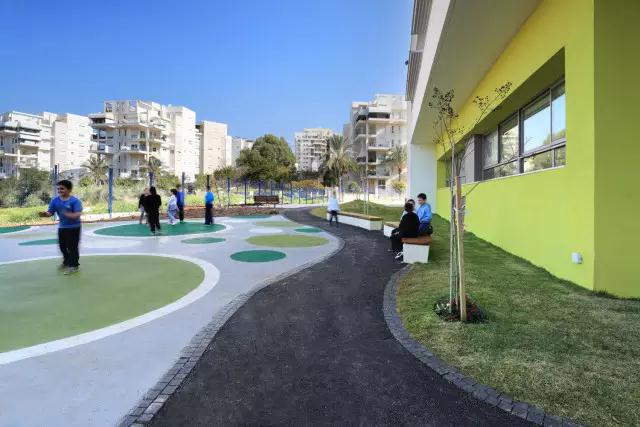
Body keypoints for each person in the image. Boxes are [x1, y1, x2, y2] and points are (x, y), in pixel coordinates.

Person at [41, 180, 83, 275]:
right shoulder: (55, 201)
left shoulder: (75, 201)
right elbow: (50, 212)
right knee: (62, 246)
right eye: (58, 189)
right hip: (62, 227)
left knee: (72, 247)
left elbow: (77, 214)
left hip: (74, 227)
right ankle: (67, 262)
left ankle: (74, 266)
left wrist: (68, 214)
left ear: (69, 190)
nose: (60, 190)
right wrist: (45, 214)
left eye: (62, 188)